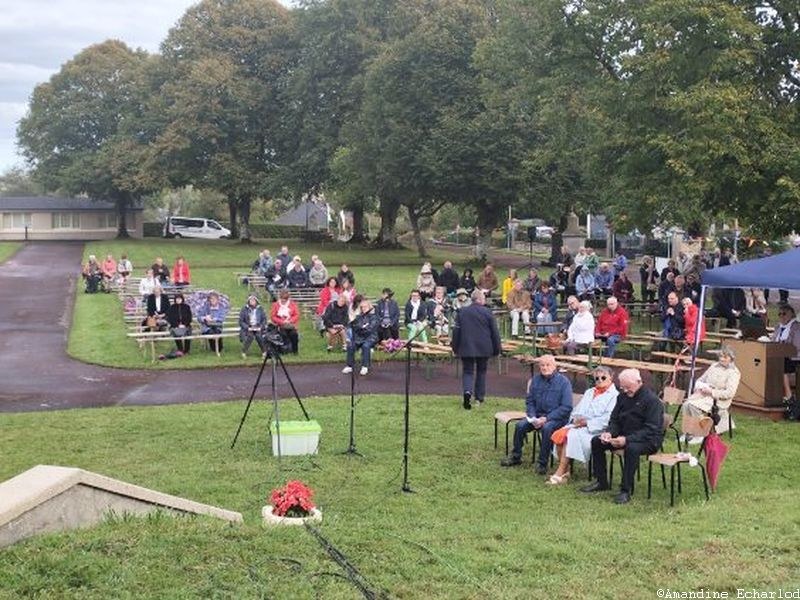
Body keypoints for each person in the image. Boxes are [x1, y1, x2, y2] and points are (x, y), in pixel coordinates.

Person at [581, 368, 664, 504]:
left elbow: (651, 429)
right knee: (597, 441)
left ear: (639, 382)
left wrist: (627, 439)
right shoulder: (622, 397)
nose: (625, 390)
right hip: (624, 435)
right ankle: (601, 482)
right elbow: (615, 420)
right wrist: (609, 433)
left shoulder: (652, 401)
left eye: (628, 387)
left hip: (649, 440)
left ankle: (625, 490)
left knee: (631, 448)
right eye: (622, 387)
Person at [500, 354, 573, 474]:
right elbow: (530, 401)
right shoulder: (536, 380)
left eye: (548, 365)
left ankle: (542, 463)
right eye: (542, 365)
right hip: (537, 416)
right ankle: (516, 457)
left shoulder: (564, 382)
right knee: (520, 426)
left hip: (556, 418)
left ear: (554, 366)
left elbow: (566, 407)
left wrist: (547, 418)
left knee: (547, 428)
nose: (545, 367)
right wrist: (532, 416)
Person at [546, 366, 618, 485]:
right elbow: (578, 410)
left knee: (569, 436)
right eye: (597, 378)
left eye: (603, 377)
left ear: (611, 378)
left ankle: (560, 472)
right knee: (559, 434)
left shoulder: (615, 396)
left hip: (597, 429)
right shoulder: (589, 392)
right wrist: (576, 419)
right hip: (579, 425)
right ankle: (566, 470)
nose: (600, 380)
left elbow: (608, 419)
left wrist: (587, 423)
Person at [451, 289, 501, 409]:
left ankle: (467, 392)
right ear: (479, 299)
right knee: (481, 372)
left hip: (466, 346)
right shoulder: (488, 312)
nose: (485, 300)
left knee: (467, 371)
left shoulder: (462, 312)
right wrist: (497, 349)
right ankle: (479, 398)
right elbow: (495, 333)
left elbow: (456, 331)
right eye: (483, 298)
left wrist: (455, 347)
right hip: (484, 347)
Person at [683, 345, 741, 436]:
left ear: (731, 358)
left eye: (725, 357)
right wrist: (699, 386)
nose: (721, 359)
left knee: (692, 405)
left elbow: (730, 393)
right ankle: (689, 432)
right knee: (686, 404)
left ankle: (701, 433)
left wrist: (711, 392)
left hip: (718, 400)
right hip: (704, 395)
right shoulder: (714, 366)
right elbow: (701, 379)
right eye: (720, 356)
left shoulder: (733, 372)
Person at [770, 304, 800, 404]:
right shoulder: (778, 327)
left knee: (781, 365)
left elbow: (797, 346)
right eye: (779, 314)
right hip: (780, 355)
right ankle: (771, 393)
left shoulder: (796, 327)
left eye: (784, 313)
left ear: (792, 314)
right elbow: (773, 340)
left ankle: (789, 394)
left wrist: (782, 346)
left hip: (794, 357)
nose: (781, 316)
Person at [343, 298, 379, 376]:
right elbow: (354, 326)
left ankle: (365, 366)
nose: (363, 308)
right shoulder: (359, 317)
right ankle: (349, 366)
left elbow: (369, 330)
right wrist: (361, 328)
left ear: (369, 307)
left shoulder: (374, 317)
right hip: (359, 337)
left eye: (365, 307)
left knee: (365, 346)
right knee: (350, 345)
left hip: (371, 337)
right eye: (362, 307)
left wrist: (360, 328)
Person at [271, 289, 300, 354]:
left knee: (294, 334)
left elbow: (297, 315)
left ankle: (295, 351)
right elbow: (273, 316)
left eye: (285, 299)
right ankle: (284, 350)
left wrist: (290, 320)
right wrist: (281, 321)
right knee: (283, 334)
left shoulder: (293, 304)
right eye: (282, 299)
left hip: (291, 324)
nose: (283, 301)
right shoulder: (275, 305)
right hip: (280, 325)